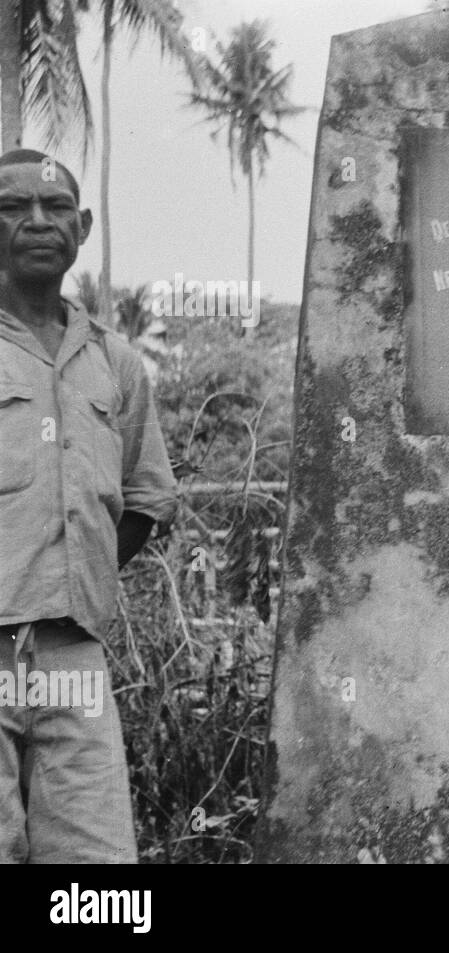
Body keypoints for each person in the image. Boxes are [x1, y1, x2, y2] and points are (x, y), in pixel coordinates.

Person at [0, 147, 178, 863]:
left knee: (95, 875)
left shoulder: (115, 360)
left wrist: (71, 573)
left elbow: (145, 498)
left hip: (74, 653)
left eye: (56, 208)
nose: (38, 221)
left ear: (85, 226)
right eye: (14, 208)